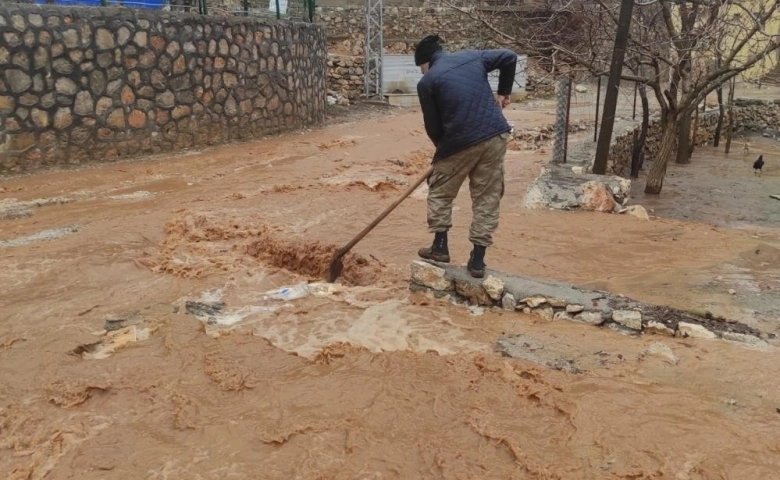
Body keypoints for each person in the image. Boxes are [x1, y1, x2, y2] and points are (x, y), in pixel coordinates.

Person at [414, 34, 517, 279]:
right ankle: (478, 260)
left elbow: (433, 127)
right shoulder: (472, 56)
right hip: (496, 135)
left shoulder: (427, 82)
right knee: (487, 197)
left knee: (440, 191)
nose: (421, 72)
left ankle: (440, 247)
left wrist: (443, 154)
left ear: (427, 61)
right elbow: (510, 57)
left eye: (420, 67)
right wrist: (504, 92)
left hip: (459, 141)